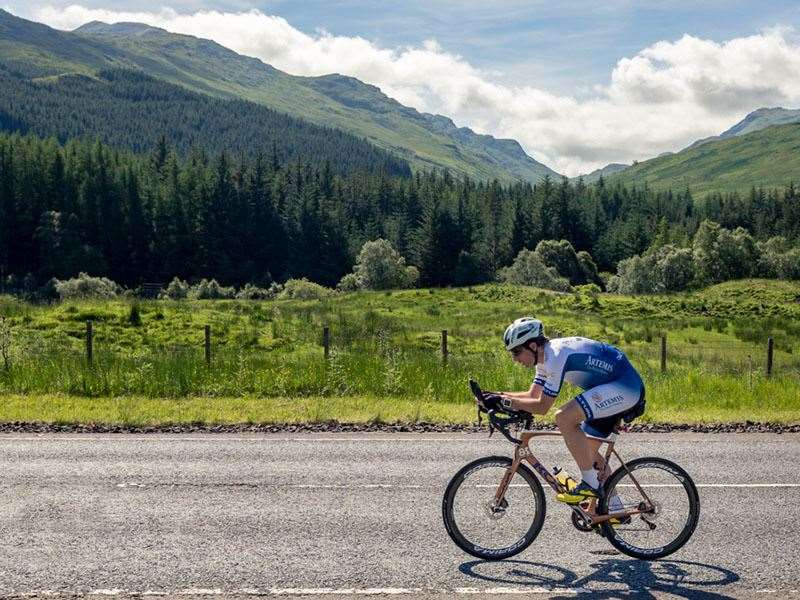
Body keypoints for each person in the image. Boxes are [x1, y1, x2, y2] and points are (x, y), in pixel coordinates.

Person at [487, 317, 645, 505]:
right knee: (588, 452)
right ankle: (615, 509)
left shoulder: (555, 356)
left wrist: (503, 402)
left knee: (564, 417)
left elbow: (542, 406)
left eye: (516, 352)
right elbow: (532, 395)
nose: (514, 359)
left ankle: (590, 485)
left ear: (532, 346)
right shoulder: (544, 360)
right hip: (608, 388)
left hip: (625, 387)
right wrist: (495, 396)